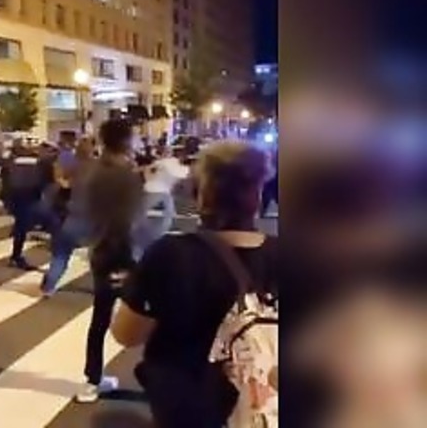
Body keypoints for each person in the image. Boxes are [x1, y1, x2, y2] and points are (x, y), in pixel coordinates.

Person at [111, 141, 277, 428]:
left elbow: (126, 334)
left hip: (188, 408)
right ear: (257, 194)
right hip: (261, 408)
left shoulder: (171, 255)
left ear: (203, 194)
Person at [75, 119, 143, 403]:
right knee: (156, 312)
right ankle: (166, 378)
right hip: (121, 254)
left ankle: (93, 378)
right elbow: (129, 220)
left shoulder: (93, 171)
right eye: (134, 137)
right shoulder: (126, 177)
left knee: (101, 317)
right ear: (126, 141)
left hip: (100, 251)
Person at [40, 136, 97, 296]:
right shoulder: (98, 168)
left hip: (72, 217)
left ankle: (49, 286)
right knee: (97, 255)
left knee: (61, 254)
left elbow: (61, 183)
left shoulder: (72, 167)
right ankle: (99, 287)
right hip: (93, 218)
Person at [2, 141, 59, 270]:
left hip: (17, 198)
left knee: (21, 226)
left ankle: (16, 256)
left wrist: (7, 200)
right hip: (31, 198)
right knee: (53, 223)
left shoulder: (14, 162)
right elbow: (49, 184)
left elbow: (6, 179)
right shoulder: (43, 163)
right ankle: (16, 257)